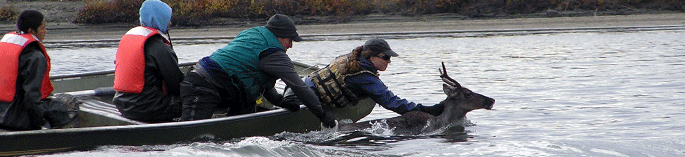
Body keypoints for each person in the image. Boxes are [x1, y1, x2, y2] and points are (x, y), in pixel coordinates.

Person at [180, 14, 336, 128]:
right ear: (279, 36)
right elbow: (298, 86)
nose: (291, 45)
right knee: (189, 135)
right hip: (204, 87)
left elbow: (257, 78)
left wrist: (279, 101)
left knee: (244, 110)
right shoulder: (274, 52)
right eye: (290, 40)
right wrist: (322, 115)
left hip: (208, 82)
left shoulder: (253, 33)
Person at [282, 38, 445, 118]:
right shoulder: (365, 77)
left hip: (292, 90)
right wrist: (428, 110)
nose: (389, 61)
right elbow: (392, 102)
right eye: (386, 57)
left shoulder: (353, 59)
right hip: (301, 101)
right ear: (372, 57)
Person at [0, 10, 79, 130]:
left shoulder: (6, 45)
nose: (45, 32)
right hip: (17, 118)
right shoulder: (35, 57)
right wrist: (40, 124)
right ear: (32, 31)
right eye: (43, 28)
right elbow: (31, 99)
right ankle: (67, 142)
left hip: (3, 112)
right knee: (70, 102)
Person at [113, 0, 183, 122]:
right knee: (196, 98)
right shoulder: (160, 48)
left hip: (123, 105)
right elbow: (176, 84)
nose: (170, 23)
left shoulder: (129, 38)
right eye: (167, 19)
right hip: (148, 108)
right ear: (159, 19)